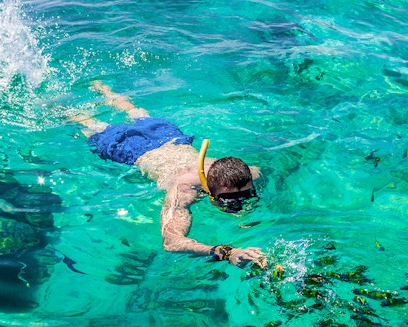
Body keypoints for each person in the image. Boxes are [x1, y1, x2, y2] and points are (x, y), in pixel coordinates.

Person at [70, 81, 266, 267]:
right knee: (91, 124)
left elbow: (259, 170)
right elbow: (171, 242)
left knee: (135, 111)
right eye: (229, 199)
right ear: (208, 188)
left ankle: (102, 88)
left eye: (246, 194)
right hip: (134, 149)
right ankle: (59, 105)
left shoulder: (246, 173)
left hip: (170, 137)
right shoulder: (184, 189)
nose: (239, 203)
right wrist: (227, 252)